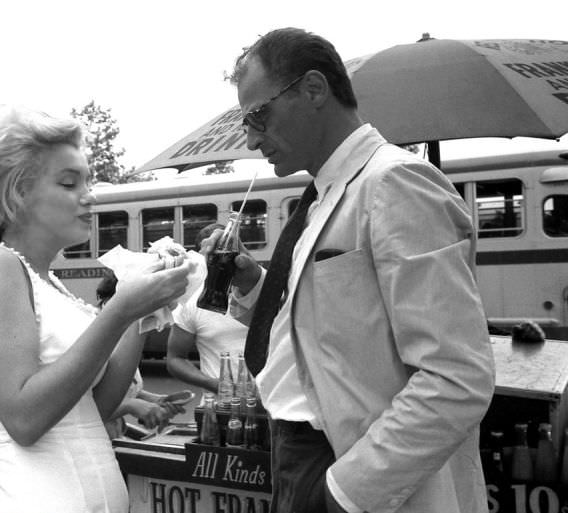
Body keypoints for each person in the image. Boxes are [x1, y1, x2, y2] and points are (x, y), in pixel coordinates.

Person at [204, 28, 495, 513]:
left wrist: (346, 492)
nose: (252, 138)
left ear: (314, 89)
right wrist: (256, 286)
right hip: (307, 452)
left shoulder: (393, 183)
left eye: (258, 115)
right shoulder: (326, 196)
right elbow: (327, 332)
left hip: (348, 466)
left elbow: (456, 376)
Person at [0, 108, 191, 512]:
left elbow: (96, 409)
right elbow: (25, 419)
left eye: (87, 181)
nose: (89, 195)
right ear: (17, 194)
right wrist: (121, 310)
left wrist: (145, 311)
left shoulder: (49, 282)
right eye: (70, 182)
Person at [96, 272, 185, 438]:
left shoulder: (124, 336)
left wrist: (156, 400)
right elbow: (86, 408)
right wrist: (130, 406)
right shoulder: (96, 340)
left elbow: (122, 389)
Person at [167, 223, 249, 394]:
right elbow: (175, 359)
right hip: (219, 410)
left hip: (271, 410)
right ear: (203, 260)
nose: (224, 261)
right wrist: (214, 384)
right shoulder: (192, 302)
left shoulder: (266, 290)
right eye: (215, 256)